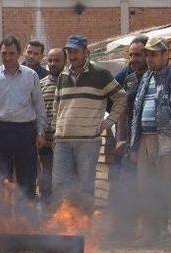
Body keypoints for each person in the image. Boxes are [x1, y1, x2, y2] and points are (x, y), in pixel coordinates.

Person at [53, 35, 126, 213]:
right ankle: (64, 230)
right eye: (69, 52)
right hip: (62, 141)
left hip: (87, 141)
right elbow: (58, 107)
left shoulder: (100, 74)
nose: (71, 55)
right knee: (60, 186)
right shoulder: (63, 75)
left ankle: (85, 231)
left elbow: (121, 97)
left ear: (86, 52)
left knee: (85, 187)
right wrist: (58, 128)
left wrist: (109, 122)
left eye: (75, 51)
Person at [0, 35, 47, 203]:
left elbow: (39, 106)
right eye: (4, 53)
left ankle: (26, 222)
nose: (8, 57)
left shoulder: (31, 76)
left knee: (27, 180)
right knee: (2, 181)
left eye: (11, 53)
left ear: (19, 53)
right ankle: (4, 223)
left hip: (25, 132)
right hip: (0, 132)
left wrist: (40, 132)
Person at [129, 38, 171, 246]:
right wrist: (133, 143)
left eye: (154, 54)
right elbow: (137, 112)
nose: (149, 58)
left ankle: (170, 234)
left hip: (167, 140)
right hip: (144, 140)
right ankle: (151, 233)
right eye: (147, 54)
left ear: (165, 54)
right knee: (146, 187)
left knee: (169, 187)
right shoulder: (146, 78)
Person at [111, 35, 149, 243]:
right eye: (131, 55)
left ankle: (151, 231)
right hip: (130, 142)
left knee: (150, 186)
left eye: (138, 55)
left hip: (153, 139)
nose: (134, 59)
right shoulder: (128, 78)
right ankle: (127, 230)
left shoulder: (158, 76)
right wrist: (120, 138)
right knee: (128, 184)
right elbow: (122, 111)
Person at [37, 48, 66, 203]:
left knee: (63, 184)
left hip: (65, 143)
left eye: (57, 60)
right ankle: (47, 218)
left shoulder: (70, 83)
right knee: (45, 182)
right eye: (50, 60)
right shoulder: (41, 84)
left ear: (65, 62)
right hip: (46, 144)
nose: (53, 64)